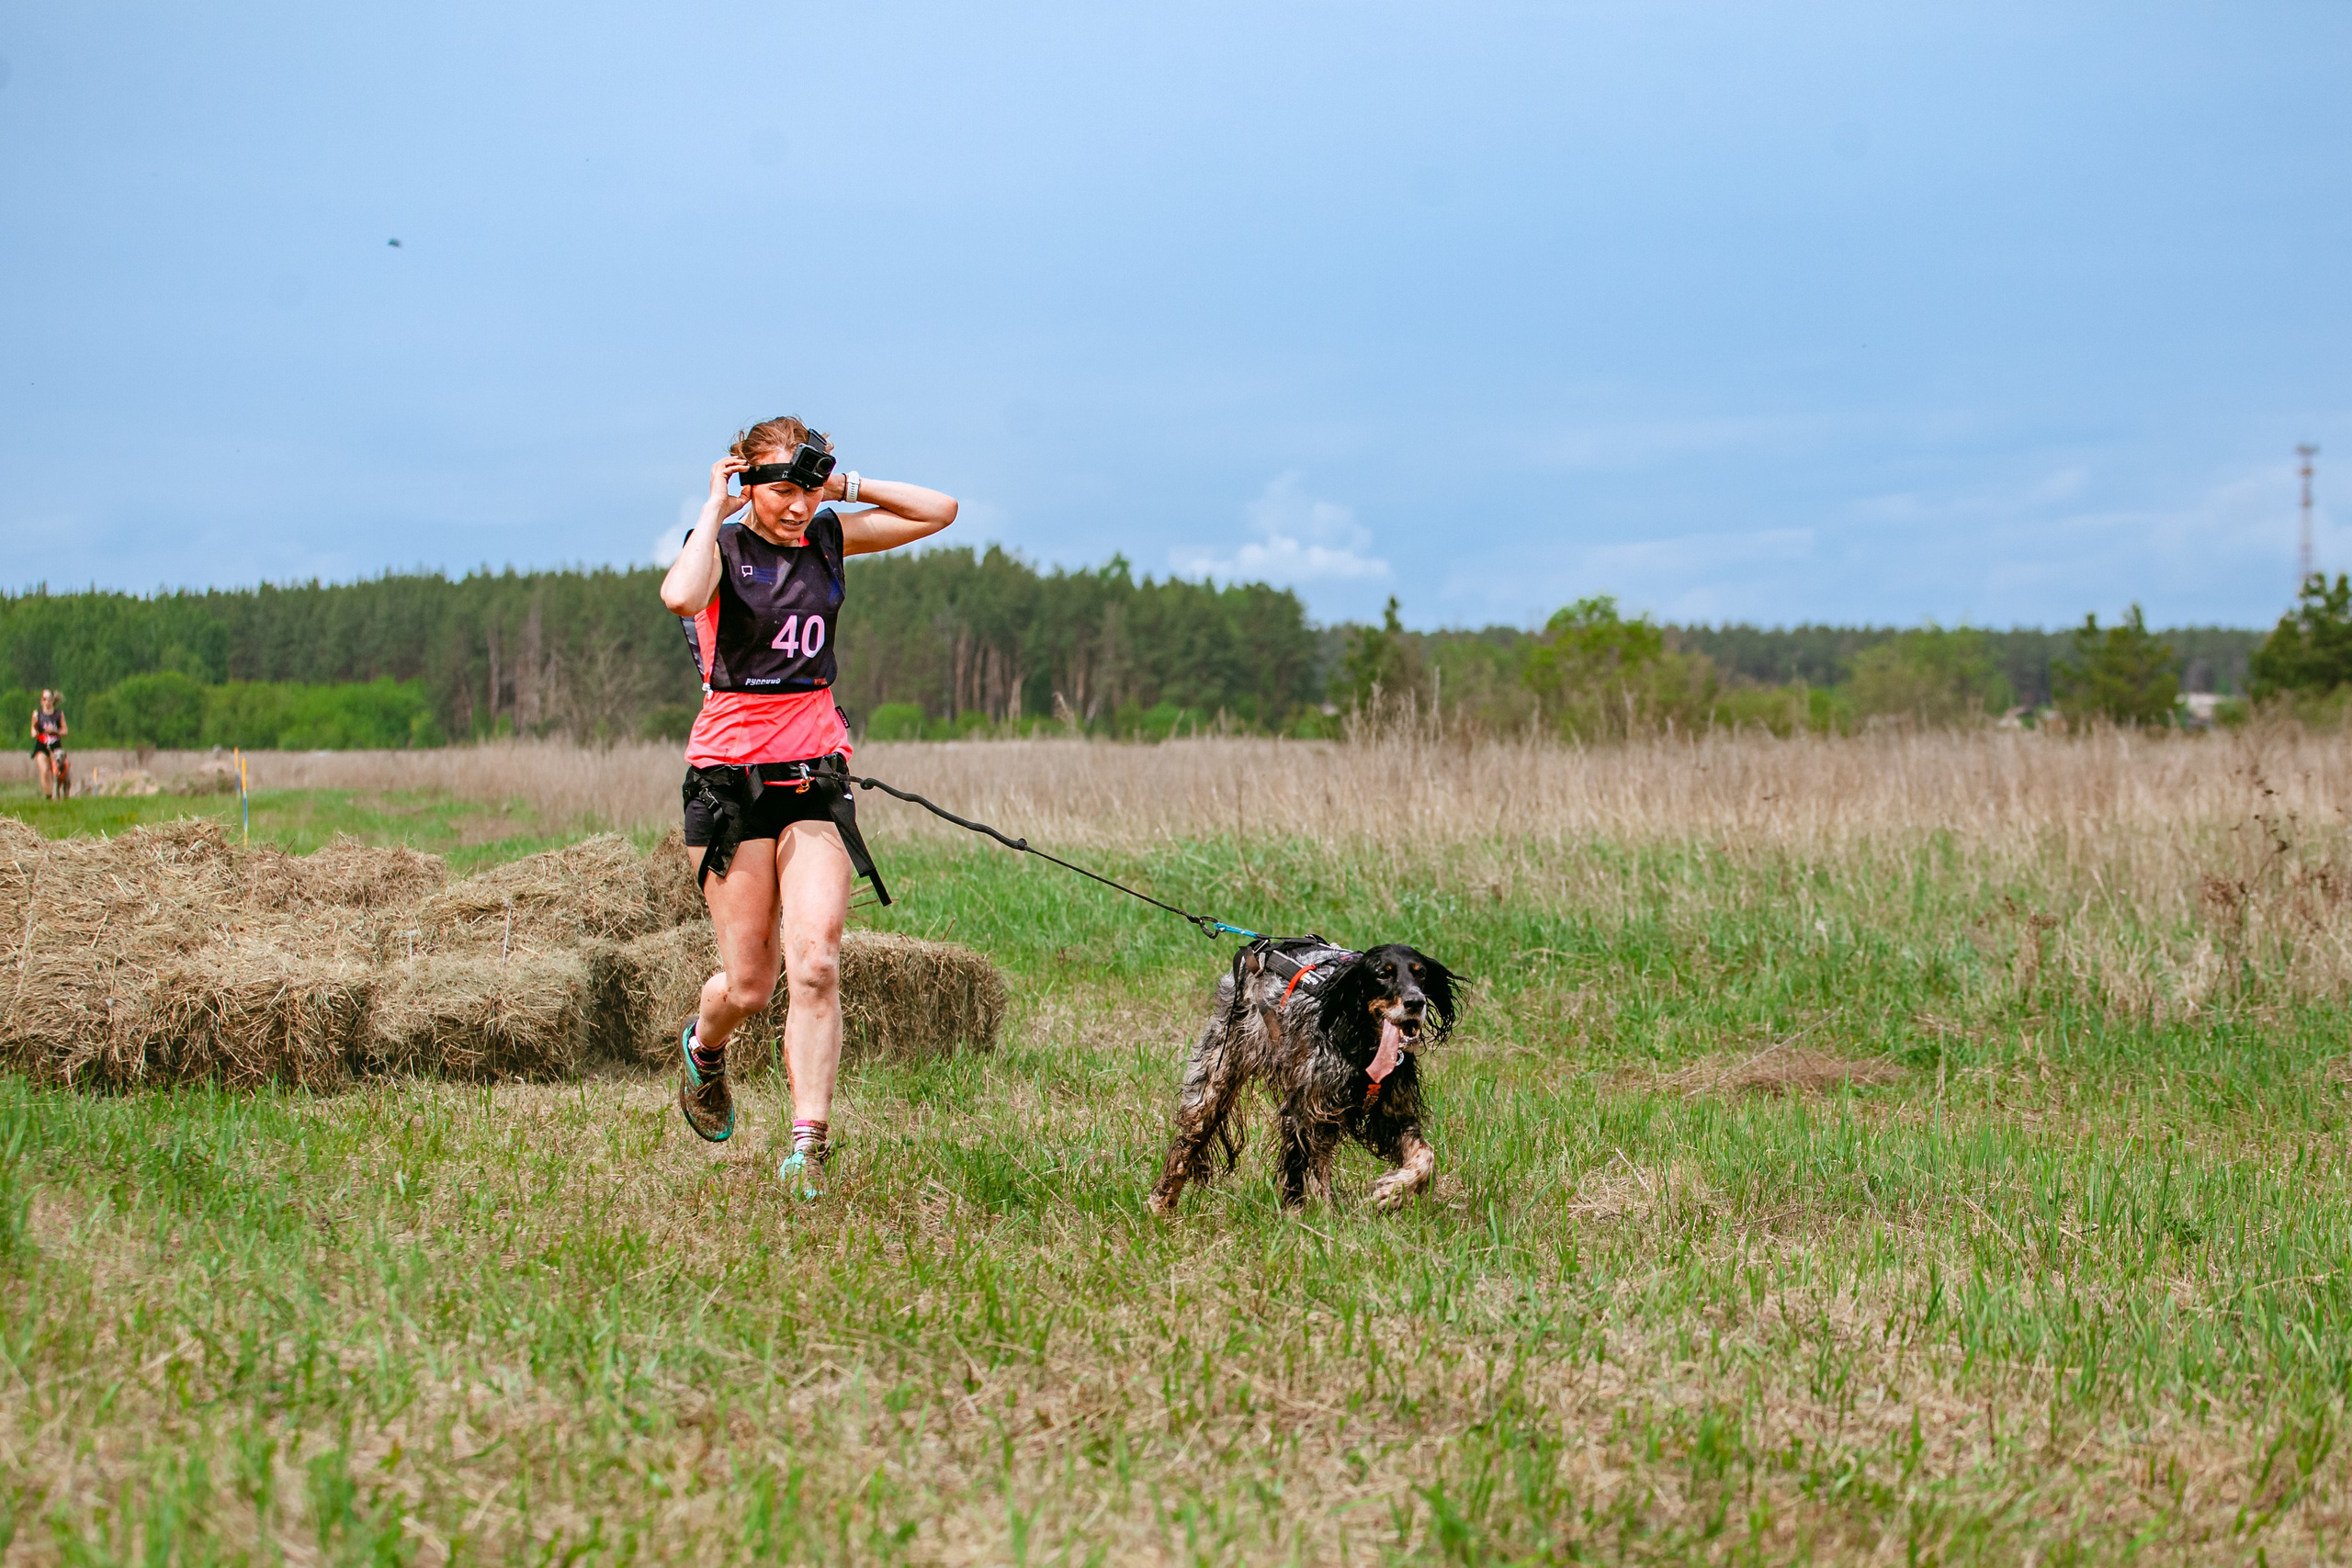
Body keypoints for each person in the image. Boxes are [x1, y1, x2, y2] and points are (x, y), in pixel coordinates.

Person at [658, 417, 956, 1197]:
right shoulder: (719, 548)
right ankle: (703, 1045)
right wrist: (714, 505)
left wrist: (843, 485)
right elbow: (678, 595)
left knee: (816, 961)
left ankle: (807, 1146)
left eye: (806, 489)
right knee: (749, 986)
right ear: (748, 483)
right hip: (727, 787)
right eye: (781, 490)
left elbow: (940, 510)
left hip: (815, 780)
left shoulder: (826, 536)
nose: (795, 507)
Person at [28, 690, 67, 801]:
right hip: (42, 745)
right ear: (41, 701)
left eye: (49, 699)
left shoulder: (58, 714)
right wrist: (35, 732)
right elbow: (33, 731)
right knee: (44, 770)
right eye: (44, 699)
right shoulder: (37, 714)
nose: (47, 702)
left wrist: (55, 731)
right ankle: (49, 796)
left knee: (58, 772)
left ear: (52, 700)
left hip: (55, 746)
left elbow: (65, 731)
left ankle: (59, 793)